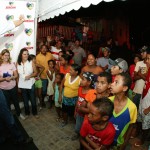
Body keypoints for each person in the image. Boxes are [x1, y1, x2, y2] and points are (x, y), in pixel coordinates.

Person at [109, 72, 137, 149]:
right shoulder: (107, 101)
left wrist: (124, 143)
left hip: (118, 144)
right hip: (104, 140)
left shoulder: (132, 107)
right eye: (113, 81)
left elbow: (130, 127)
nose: (112, 84)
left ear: (124, 88)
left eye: (116, 82)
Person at [0, 49, 25, 120]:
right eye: (5, 55)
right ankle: (9, 116)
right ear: (2, 56)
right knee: (7, 103)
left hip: (13, 87)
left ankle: (19, 113)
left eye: (8, 55)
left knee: (15, 101)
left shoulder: (12, 64)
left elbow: (16, 75)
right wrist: (5, 79)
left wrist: (12, 77)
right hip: (3, 89)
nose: (6, 57)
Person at [72, 72, 95, 140]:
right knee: (77, 127)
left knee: (85, 130)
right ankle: (77, 134)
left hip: (86, 116)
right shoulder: (80, 89)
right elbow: (78, 99)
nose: (80, 81)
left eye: (83, 79)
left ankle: (83, 139)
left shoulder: (92, 93)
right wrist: (75, 111)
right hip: (79, 113)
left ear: (89, 82)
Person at [17, 48, 38, 118]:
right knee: (25, 100)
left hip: (30, 84)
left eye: (27, 54)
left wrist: (29, 76)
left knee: (32, 99)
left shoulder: (31, 62)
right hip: (22, 85)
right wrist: (18, 85)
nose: (26, 55)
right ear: (21, 55)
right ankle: (27, 113)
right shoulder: (18, 63)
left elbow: (36, 73)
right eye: (24, 54)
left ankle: (35, 113)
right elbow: (17, 76)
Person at [134, 51, 150, 146]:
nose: (146, 61)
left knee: (146, 123)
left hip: (148, 104)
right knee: (141, 119)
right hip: (144, 99)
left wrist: (148, 109)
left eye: (148, 59)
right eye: (146, 58)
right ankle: (140, 135)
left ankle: (142, 141)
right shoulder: (148, 71)